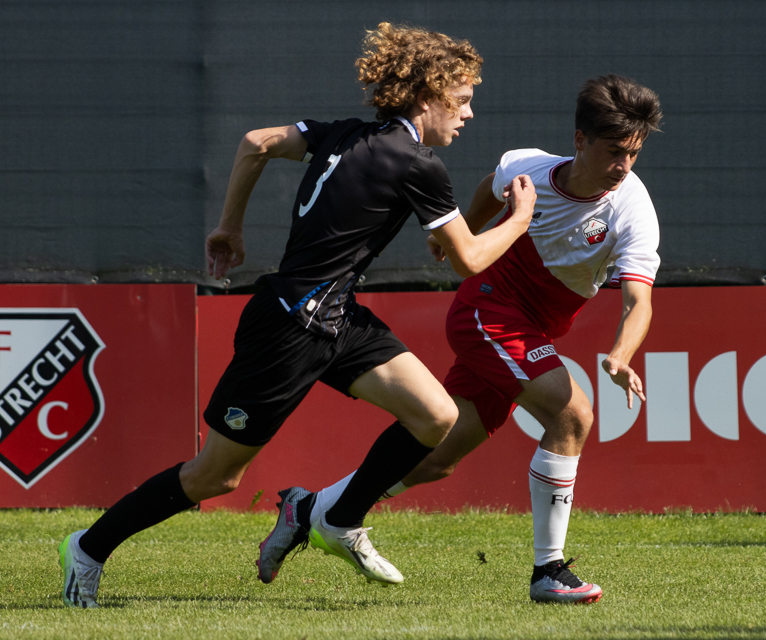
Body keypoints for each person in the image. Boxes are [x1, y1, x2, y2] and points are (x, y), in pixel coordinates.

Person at [58, 22, 536, 609]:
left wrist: (228, 225)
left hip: (336, 317)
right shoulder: (419, 164)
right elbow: (468, 260)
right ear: (427, 95)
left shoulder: (346, 134)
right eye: (461, 102)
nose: (467, 115)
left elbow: (258, 142)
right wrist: (518, 219)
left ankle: (332, 518)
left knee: (437, 417)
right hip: (288, 329)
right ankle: (88, 547)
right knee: (216, 476)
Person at [299, 75, 662, 604]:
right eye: (614, 151)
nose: (624, 166)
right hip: (487, 309)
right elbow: (490, 189)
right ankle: (548, 571)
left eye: (634, 153)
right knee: (572, 415)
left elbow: (639, 301)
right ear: (580, 139)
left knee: (435, 460)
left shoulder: (633, 208)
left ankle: (312, 509)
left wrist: (621, 353)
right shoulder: (528, 167)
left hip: (532, 327)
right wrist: (458, 235)